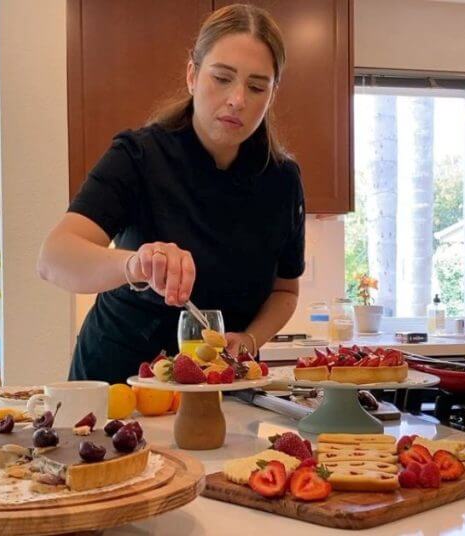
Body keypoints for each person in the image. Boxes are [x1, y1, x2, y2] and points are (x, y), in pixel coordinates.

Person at [37, 4, 305, 384]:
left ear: (272, 95)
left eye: (257, 87)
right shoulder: (138, 156)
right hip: (119, 379)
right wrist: (135, 265)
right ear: (192, 75)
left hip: (220, 384)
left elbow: (285, 290)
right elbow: (54, 257)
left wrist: (249, 339)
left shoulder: (282, 181)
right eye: (222, 78)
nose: (237, 99)